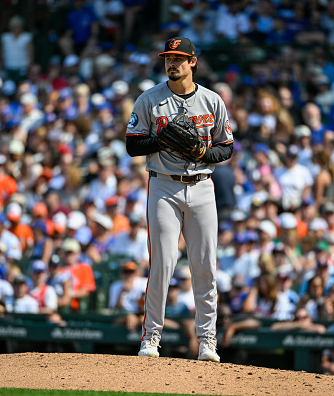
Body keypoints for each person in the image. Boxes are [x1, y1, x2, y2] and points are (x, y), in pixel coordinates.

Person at [126, 37, 233, 362]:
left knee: (205, 267)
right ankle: (151, 339)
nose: (172, 63)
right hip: (163, 186)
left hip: (202, 186)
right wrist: (160, 139)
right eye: (168, 58)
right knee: (162, 263)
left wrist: (201, 150)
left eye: (179, 58)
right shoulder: (149, 99)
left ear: (192, 62)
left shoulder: (212, 100)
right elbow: (133, 145)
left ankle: (207, 342)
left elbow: (226, 147)